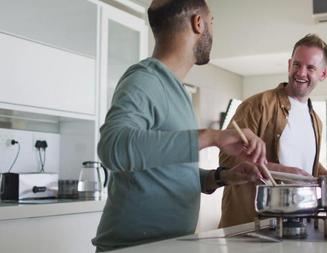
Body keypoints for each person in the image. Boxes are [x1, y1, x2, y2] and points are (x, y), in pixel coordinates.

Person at [92, 0, 269, 251]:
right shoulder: (144, 79)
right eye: (212, 22)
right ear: (199, 23)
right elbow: (113, 148)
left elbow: (167, 174)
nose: (212, 31)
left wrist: (223, 177)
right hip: (134, 247)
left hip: (169, 245)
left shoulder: (177, 91)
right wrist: (211, 136)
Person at [218, 34, 327, 228]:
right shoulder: (257, 105)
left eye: (310, 68)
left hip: (296, 226)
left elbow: (305, 164)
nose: (301, 73)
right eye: (297, 65)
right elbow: (227, 159)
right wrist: (287, 172)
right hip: (250, 226)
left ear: (323, 74)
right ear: (289, 64)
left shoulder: (316, 121)